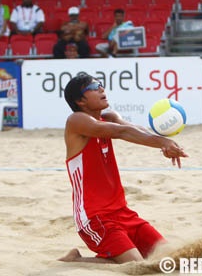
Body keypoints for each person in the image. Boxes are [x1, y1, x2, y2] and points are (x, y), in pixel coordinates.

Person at [59, 74, 188, 264]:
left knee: (169, 257)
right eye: (94, 86)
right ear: (80, 101)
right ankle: (76, 260)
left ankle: (94, 257)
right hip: (94, 218)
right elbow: (121, 132)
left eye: (101, 84)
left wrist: (166, 144)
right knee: (136, 265)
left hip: (123, 212)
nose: (101, 89)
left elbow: (134, 128)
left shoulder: (108, 116)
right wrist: (162, 142)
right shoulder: (77, 121)